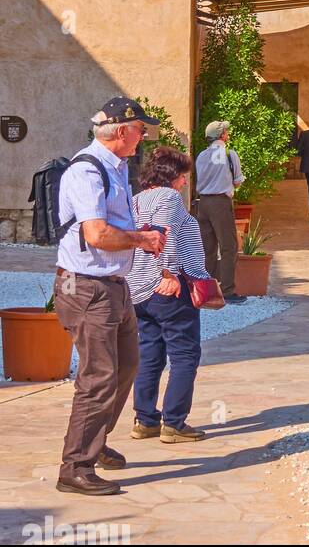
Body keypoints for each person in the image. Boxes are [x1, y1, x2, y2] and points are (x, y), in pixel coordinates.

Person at [53, 97, 168, 497]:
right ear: (122, 131)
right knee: (98, 376)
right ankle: (75, 468)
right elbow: (97, 235)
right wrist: (142, 238)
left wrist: (141, 233)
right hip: (85, 287)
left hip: (111, 285)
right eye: (140, 130)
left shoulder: (115, 168)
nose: (143, 137)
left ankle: (95, 442)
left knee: (125, 368)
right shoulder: (87, 171)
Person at [127, 146, 211, 444]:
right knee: (185, 354)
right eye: (183, 177)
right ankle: (174, 423)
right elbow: (166, 234)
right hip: (167, 288)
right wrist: (169, 273)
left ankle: (145, 420)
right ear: (172, 175)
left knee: (150, 354)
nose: (185, 183)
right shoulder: (169, 197)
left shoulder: (135, 200)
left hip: (138, 289)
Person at [194, 120, 246, 303]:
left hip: (203, 203)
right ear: (222, 135)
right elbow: (238, 181)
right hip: (220, 203)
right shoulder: (229, 155)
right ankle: (227, 290)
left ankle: (207, 289)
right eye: (226, 131)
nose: (228, 133)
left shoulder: (201, 155)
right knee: (228, 246)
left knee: (207, 248)